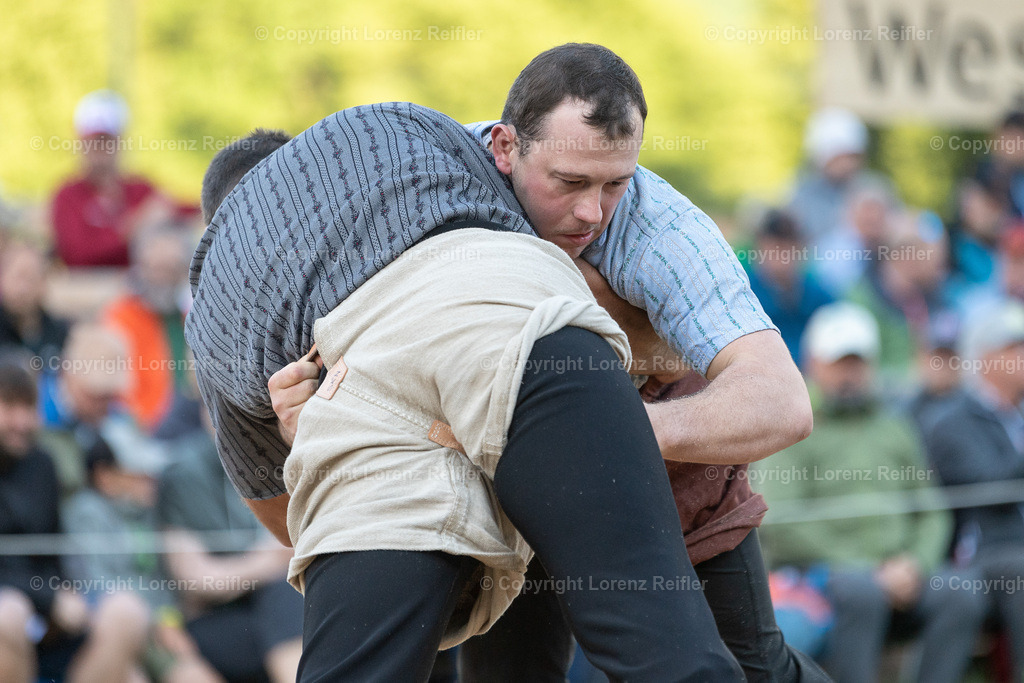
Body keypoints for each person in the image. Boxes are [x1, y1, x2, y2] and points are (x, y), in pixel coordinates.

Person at [187, 100, 747, 680]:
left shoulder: (220, 294)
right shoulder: (396, 129)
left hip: (389, 435)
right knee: (669, 654)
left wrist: (300, 435)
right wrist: (597, 434)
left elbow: (290, 525)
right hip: (533, 338)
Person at [755, 303, 980, 683]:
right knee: (862, 593)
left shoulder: (895, 425)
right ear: (813, 363)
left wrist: (915, 564)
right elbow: (780, 518)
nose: (850, 375)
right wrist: (869, 568)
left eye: (857, 363)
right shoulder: (793, 423)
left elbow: (931, 509)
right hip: (819, 572)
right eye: (840, 363)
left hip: (898, 573)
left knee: (960, 591)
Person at [0, 353, 154, 683]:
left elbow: (55, 548)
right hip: (18, 609)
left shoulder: (42, 465)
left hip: (55, 613)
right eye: (10, 407)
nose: (22, 421)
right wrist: (47, 597)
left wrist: (68, 594)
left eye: (28, 407)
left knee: (127, 612)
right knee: (7, 614)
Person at [922, 299, 1024, 679]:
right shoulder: (952, 422)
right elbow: (991, 489)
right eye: (1014, 348)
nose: (1023, 356)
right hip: (985, 552)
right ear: (985, 358)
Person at [50, 90, 178, 268]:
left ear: (119, 142)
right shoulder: (68, 195)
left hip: (138, 293)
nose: (100, 148)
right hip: (87, 293)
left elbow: (179, 208)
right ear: (80, 142)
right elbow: (78, 255)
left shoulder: (139, 190)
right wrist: (135, 226)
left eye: (106, 140)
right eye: (94, 141)